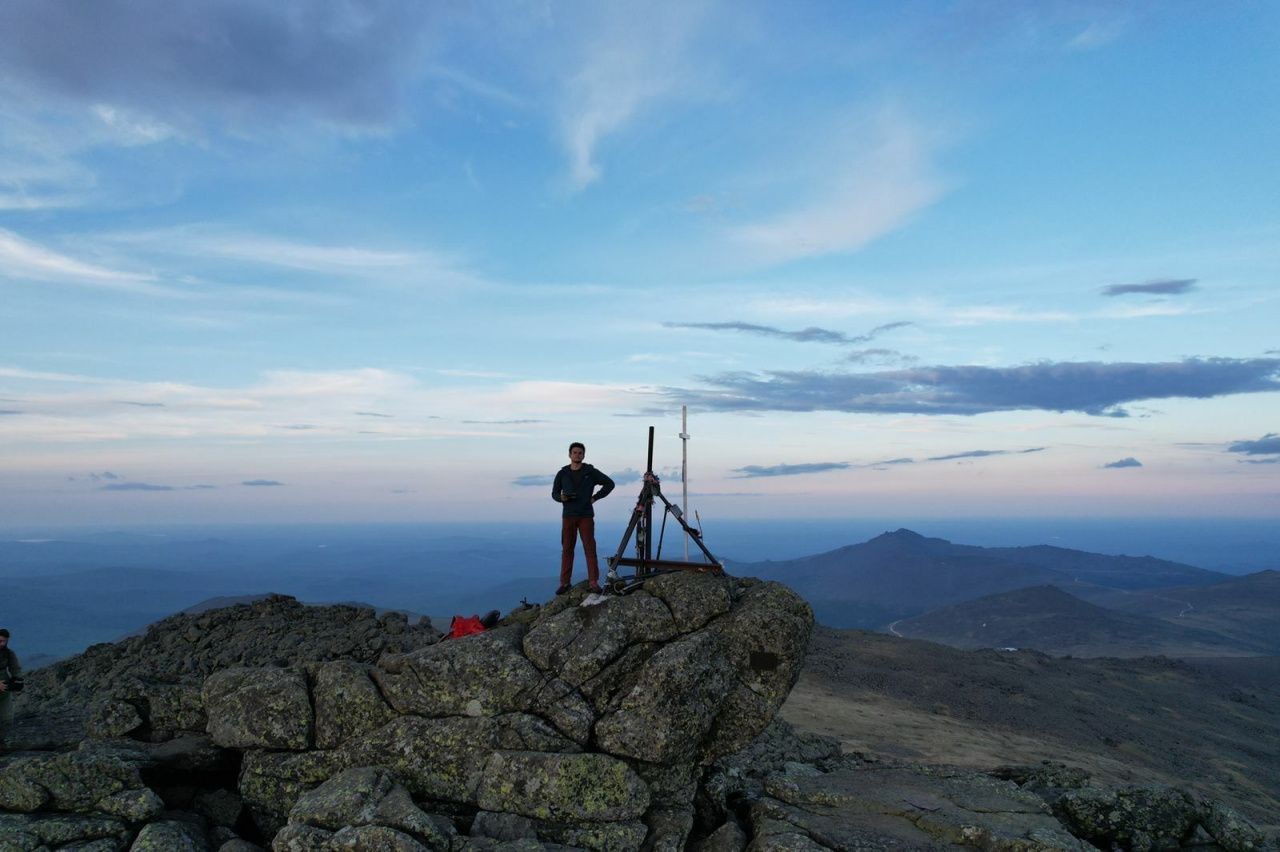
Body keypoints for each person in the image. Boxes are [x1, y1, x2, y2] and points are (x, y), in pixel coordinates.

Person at [551, 442, 615, 595]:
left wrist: (595, 498)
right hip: (568, 516)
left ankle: (593, 582)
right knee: (567, 549)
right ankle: (565, 583)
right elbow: (554, 493)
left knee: (589, 548)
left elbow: (609, 484)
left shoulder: (590, 472)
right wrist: (561, 498)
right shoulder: (562, 473)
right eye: (575, 452)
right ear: (569, 455)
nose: (577, 455)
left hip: (585, 515)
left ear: (584, 455)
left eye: (580, 453)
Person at [0, 628, 20, 751]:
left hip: (4, 691)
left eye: (3, 641)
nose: (1, 644)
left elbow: (14, 667)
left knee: (6, 718)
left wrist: (17, 679)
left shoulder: (8, 653)